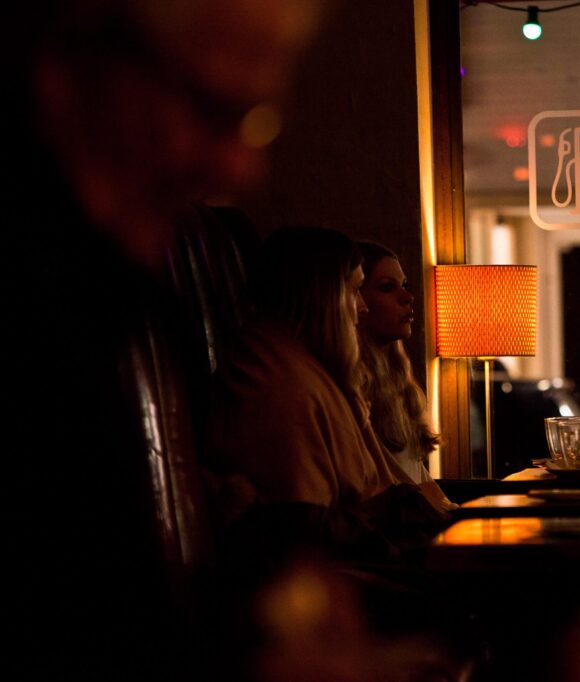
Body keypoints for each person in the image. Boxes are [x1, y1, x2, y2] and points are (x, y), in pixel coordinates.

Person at [3, 2, 324, 678]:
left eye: (255, 119)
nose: (242, 170)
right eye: (209, 109)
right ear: (68, 70)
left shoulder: (108, 293)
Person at [205, 228, 449, 571]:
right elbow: (302, 526)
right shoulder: (282, 382)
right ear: (322, 296)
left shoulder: (312, 370)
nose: (362, 307)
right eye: (354, 290)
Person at [357, 241, 456, 511]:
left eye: (404, 285)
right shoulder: (354, 387)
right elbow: (397, 488)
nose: (408, 297)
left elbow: (420, 481)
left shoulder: (397, 381)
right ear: (354, 300)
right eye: (387, 287)